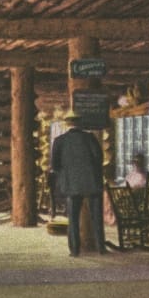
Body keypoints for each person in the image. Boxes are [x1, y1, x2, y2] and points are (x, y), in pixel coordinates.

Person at [51, 110, 107, 257]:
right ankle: (101, 248)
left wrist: (66, 174)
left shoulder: (59, 141)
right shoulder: (90, 138)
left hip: (71, 184)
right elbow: (99, 158)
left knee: (73, 219)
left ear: (67, 124)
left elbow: (54, 165)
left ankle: (75, 250)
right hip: (92, 183)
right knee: (97, 218)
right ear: (80, 123)